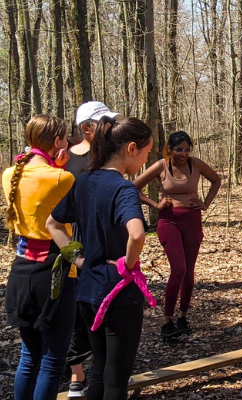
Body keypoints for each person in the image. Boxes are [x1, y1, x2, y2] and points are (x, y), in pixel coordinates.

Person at [47, 116, 154, 400]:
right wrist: (127, 266)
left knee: (99, 375)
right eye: (146, 153)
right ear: (131, 148)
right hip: (118, 295)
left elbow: (52, 224)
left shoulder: (84, 181)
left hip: (88, 291)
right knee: (116, 382)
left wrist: (78, 260)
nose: (145, 160)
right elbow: (137, 234)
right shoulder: (124, 188)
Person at [3, 115, 76, 400]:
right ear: (57, 142)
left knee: (28, 356)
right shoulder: (63, 177)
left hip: (21, 270)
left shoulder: (11, 173)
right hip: (55, 271)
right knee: (52, 360)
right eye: (65, 137)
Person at [133, 131, 221, 338]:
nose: (183, 153)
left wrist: (205, 203)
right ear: (170, 150)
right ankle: (167, 320)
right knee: (178, 268)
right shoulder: (161, 165)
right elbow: (133, 187)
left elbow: (216, 180)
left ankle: (183, 316)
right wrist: (156, 204)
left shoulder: (196, 164)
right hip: (169, 221)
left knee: (189, 270)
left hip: (192, 220)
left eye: (187, 149)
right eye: (178, 149)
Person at [63, 101, 122, 398]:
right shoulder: (66, 160)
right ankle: (76, 375)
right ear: (87, 127)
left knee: (104, 317)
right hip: (72, 249)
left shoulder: (112, 156)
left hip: (105, 251)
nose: (110, 127)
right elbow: (55, 215)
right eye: (105, 122)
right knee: (75, 315)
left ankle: (104, 375)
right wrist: (73, 255)